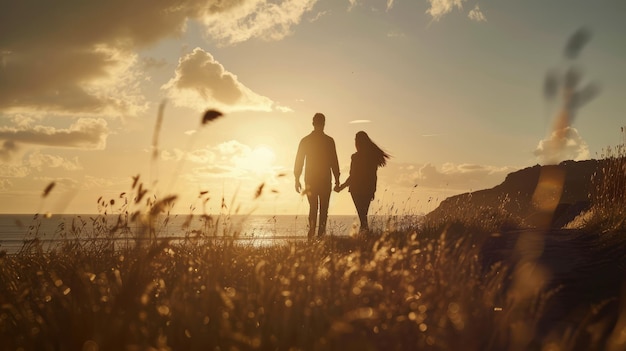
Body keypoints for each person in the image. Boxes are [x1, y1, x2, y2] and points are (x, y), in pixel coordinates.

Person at [294, 113, 341, 239]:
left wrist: (297, 178)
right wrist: (337, 179)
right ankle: (319, 234)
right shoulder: (328, 141)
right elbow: (334, 161)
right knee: (322, 208)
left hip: (313, 179)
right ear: (323, 124)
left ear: (313, 123)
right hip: (323, 179)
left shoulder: (306, 140)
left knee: (314, 207)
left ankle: (314, 234)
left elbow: (299, 161)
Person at [336, 131, 390, 233]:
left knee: (362, 216)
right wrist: (373, 190)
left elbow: (352, 176)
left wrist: (341, 187)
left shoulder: (356, 157)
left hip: (356, 190)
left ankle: (364, 237)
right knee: (363, 215)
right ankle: (365, 237)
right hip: (368, 190)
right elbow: (374, 176)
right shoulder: (372, 157)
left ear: (358, 142)